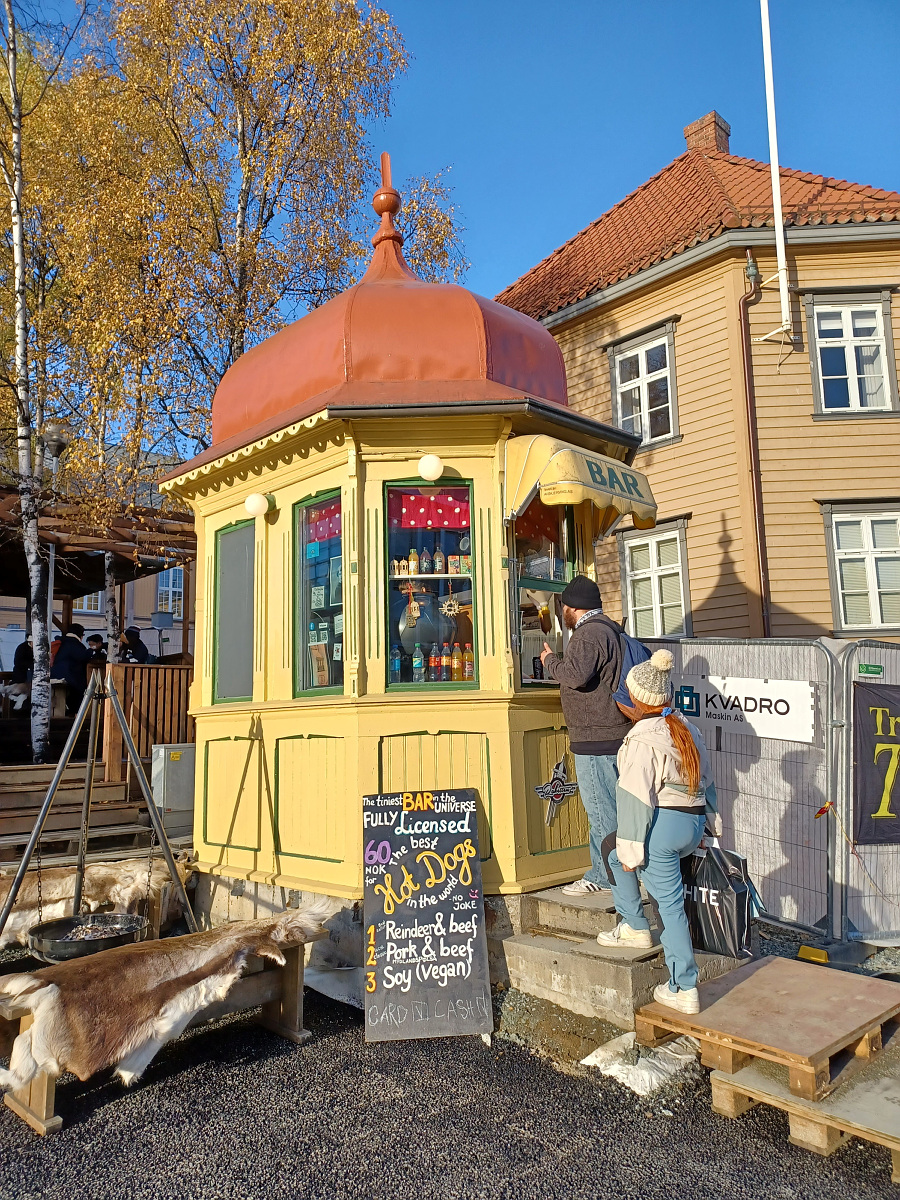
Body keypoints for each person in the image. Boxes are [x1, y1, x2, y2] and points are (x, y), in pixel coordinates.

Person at [596, 648, 721, 1015]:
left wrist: (634, 853)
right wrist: (709, 827)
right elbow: (707, 783)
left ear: (638, 699)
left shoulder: (641, 740)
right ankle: (633, 924)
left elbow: (635, 801)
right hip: (691, 821)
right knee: (610, 849)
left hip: (663, 829)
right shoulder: (686, 728)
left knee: (669, 907)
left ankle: (684, 986)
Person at [539, 575, 631, 897]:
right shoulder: (610, 629)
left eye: (563, 605)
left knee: (600, 810)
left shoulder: (587, 634)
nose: (562, 610)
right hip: (614, 731)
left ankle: (604, 876)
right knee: (617, 810)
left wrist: (549, 660)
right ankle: (625, 873)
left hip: (596, 736)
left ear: (573, 607)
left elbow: (574, 675)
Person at [52, 623, 91, 714]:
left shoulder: (62, 641)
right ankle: (75, 714)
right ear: (80, 635)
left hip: (55, 673)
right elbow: (83, 657)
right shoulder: (74, 644)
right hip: (69, 675)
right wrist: (91, 650)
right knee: (80, 691)